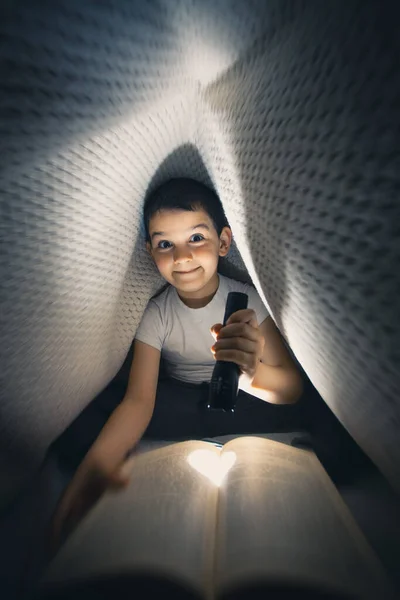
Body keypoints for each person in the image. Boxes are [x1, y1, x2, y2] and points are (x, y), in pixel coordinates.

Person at [51, 178, 303, 550]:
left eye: (196, 238)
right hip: (179, 402)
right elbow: (140, 401)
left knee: (325, 417)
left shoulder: (248, 300)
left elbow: (292, 388)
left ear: (223, 242)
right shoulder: (157, 313)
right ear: (151, 252)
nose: (181, 257)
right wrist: (92, 477)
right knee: (87, 423)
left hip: (245, 401)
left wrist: (251, 376)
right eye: (165, 244)